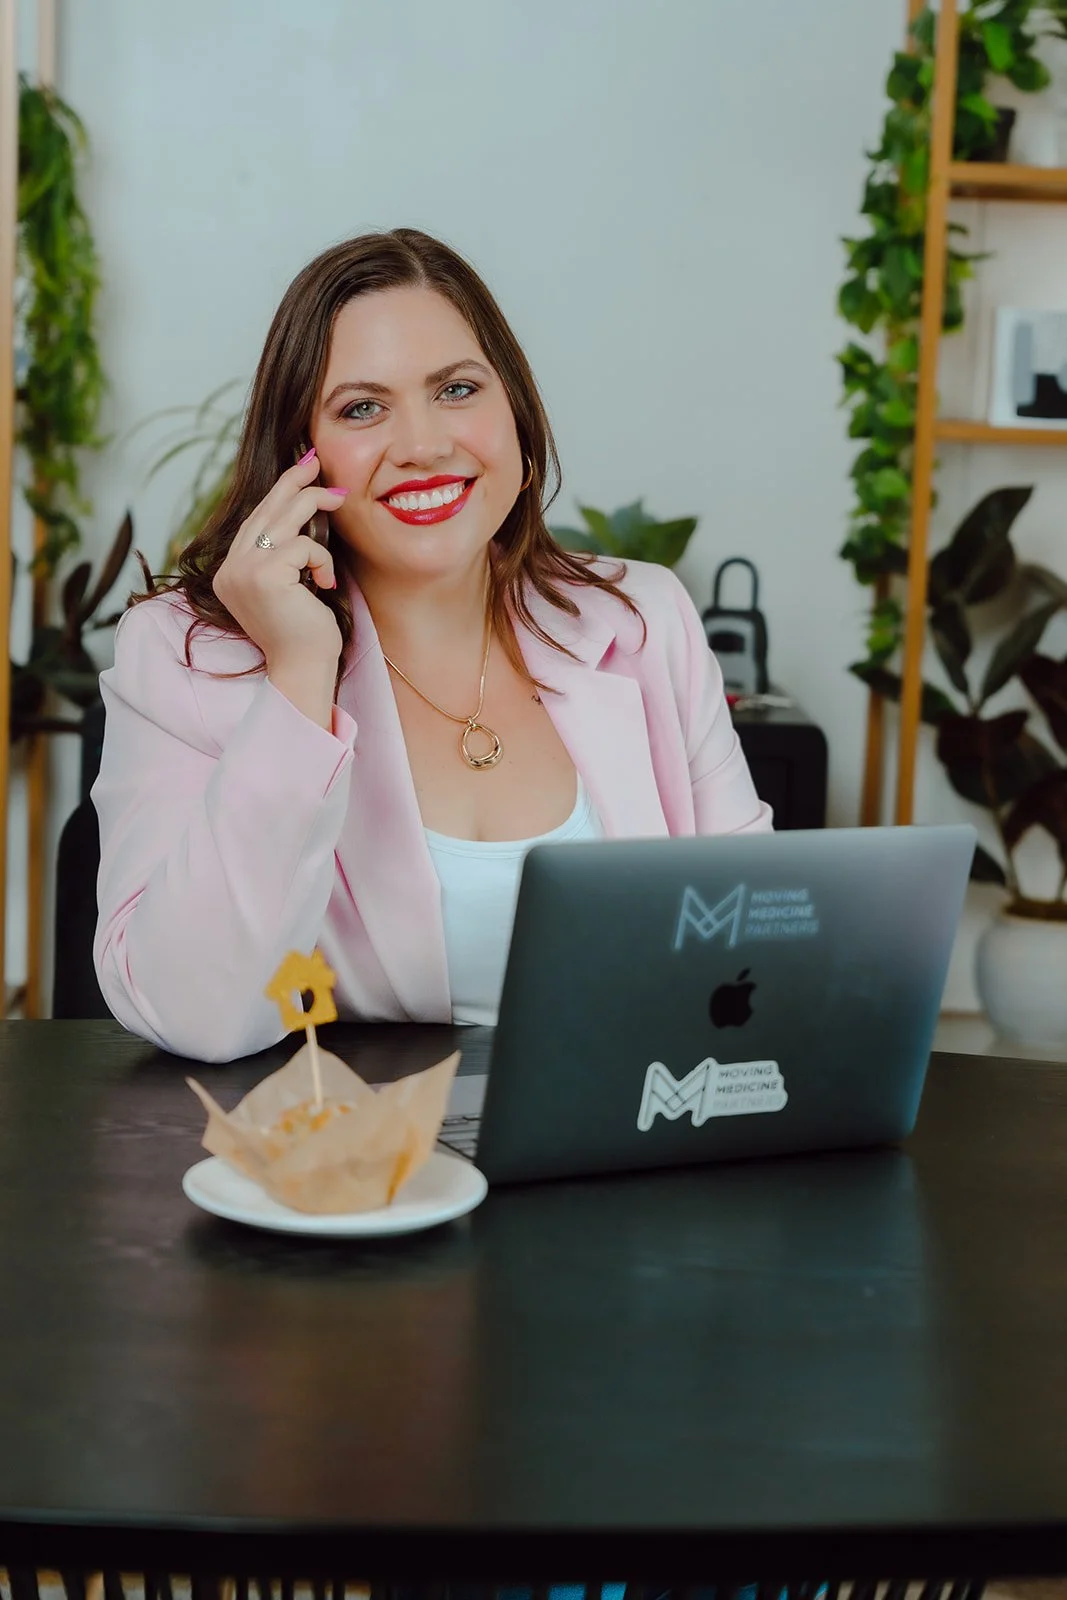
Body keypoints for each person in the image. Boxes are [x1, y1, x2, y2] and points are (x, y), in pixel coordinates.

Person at [92, 228, 772, 1063]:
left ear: (516, 420)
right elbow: (193, 1013)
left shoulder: (641, 619)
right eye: (362, 408)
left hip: (619, 1150)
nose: (421, 444)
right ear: (297, 460)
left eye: (456, 388)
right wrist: (298, 681)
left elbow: (750, 952)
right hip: (355, 1161)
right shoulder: (183, 657)